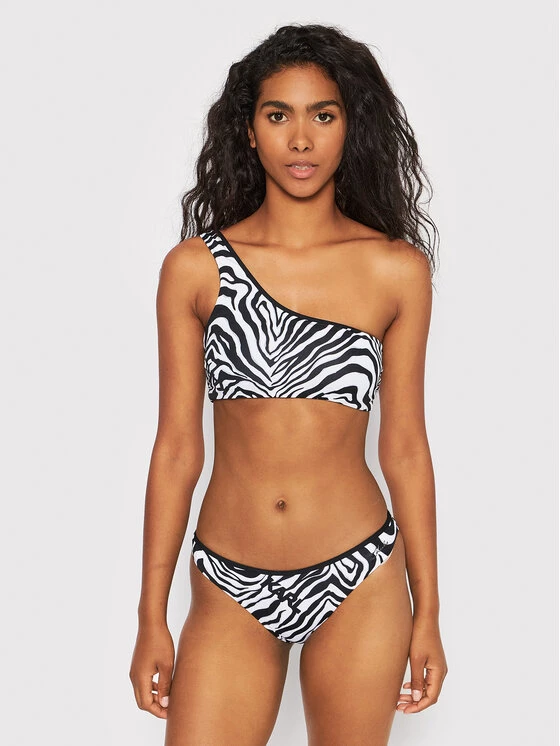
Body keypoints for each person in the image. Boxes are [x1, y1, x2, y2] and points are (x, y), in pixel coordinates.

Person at [129, 23, 448, 745]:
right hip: (228, 583)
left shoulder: (396, 270)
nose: (301, 139)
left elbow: (404, 447)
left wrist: (428, 609)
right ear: (249, 131)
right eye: (279, 115)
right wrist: (151, 615)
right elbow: (177, 449)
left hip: (359, 575)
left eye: (322, 115)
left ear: (349, 126)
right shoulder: (195, 269)